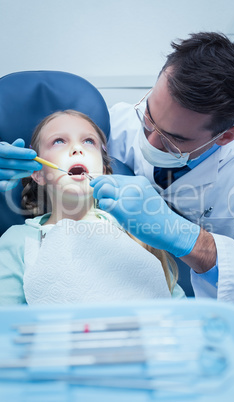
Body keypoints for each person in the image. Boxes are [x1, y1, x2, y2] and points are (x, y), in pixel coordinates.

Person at [1, 32, 234, 318]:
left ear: (226, 136)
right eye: (149, 118)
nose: (149, 142)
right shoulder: (118, 124)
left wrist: (186, 238)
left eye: (172, 140)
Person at [0, 110, 183, 305]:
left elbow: (180, 313)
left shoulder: (134, 231)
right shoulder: (18, 241)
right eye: (59, 141)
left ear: (103, 170)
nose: (77, 148)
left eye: (89, 141)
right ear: (38, 174)